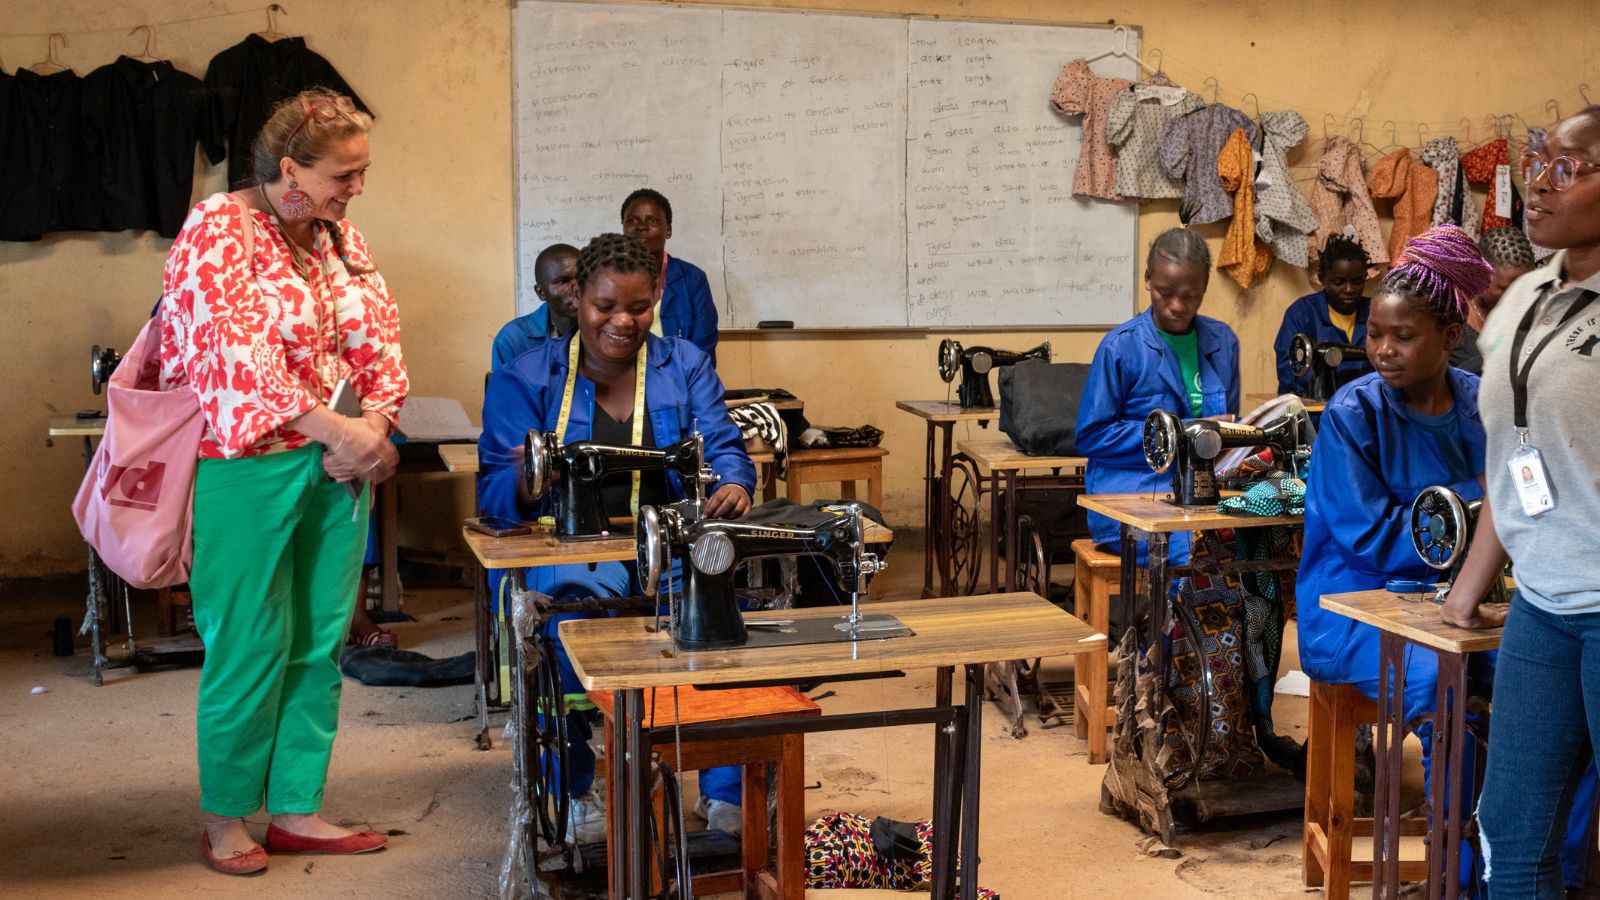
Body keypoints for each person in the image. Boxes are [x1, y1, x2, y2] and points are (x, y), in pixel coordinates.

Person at [157, 88, 406, 875]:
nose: (357, 187)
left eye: (362, 172)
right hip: (245, 468)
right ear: (290, 169)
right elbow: (228, 357)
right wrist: (342, 435)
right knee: (249, 644)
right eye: (345, 173)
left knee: (317, 642)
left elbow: (380, 339)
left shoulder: (338, 237)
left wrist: (377, 432)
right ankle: (225, 816)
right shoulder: (216, 229)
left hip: (336, 468)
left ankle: (297, 806)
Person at [478, 232, 754, 842]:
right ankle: (575, 784)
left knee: (719, 619)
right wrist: (528, 480)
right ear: (577, 299)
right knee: (567, 624)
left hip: (670, 540)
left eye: (638, 307)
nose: (623, 322)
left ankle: (725, 790)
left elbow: (725, 446)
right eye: (606, 306)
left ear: (657, 297)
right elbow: (492, 492)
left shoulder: (684, 364)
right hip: (569, 545)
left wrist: (733, 482)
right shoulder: (527, 376)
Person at [1443, 106, 1600, 898]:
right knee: (1511, 830)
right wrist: (1471, 586)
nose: (1541, 179)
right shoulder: (1527, 300)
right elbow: (1513, 460)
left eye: (1571, 166)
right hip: (1544, 605)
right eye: (1542, 159)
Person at [1294, 227, 1491, 850]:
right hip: (1353, 605)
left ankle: (1526, 862)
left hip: (1454, 601)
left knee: (1552, 673)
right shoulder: (1354, 415)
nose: (1382, 349)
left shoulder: (1478, 404)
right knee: (1442, 679)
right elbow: (1371, 538)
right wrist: (1470, 518)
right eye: (1375, 333)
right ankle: (1452, 860)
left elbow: (1508, 498)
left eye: (1403, 336)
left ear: (1450, 337)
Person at [1077, 227, 1240, 561]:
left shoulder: (1223, 342)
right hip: (1131, 493)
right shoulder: (1120, 347)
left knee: (1265, 541)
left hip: (1201, 493)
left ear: (1204, 289)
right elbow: (1091, 436)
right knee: (1197, 552)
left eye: (1190, 295)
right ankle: (1173, 615)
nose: (1177, 306)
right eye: (1166, 292)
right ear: (1148, 279)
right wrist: (1181, 433)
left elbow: (1228, 432)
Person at [621, 188, 719, 364]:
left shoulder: (692, 280)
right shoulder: (608, 281)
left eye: (652, 220)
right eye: (632, 221)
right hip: (622, 385)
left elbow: (703, 353)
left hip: (680, 385)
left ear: (669, 230)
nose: (641, 227)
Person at [1273, 235, 1374, 394]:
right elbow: (1290, 371)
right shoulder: (1301, 314)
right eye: (1339, 282)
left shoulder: (1375, 313)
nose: (1349, 289)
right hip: (1313, 412)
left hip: (1363, 410)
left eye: (1357, 282)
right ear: (1322, 279)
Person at [1451, 226, 1538, 374]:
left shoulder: (1529, 313)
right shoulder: (1451, 314)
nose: (1518, 295)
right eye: (1505, 288)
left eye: (1525, 286)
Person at [490, 242, 580, 371]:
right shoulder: (512, 339)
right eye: (563, 281)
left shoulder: (607, 330)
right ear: (541, 292)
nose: (578, 288)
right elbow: (506, 389)